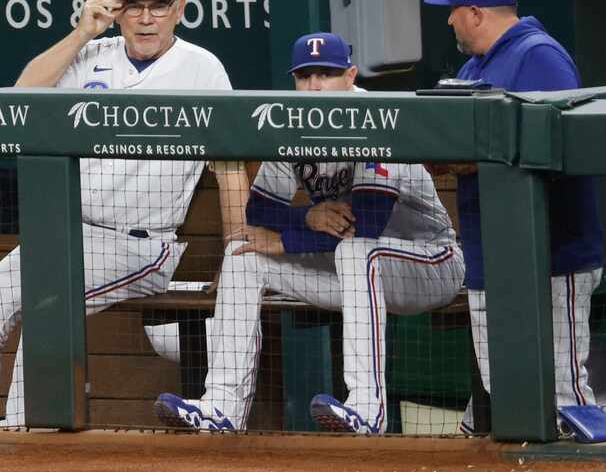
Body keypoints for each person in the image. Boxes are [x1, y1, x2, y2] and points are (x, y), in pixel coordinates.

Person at [0, 0, 247, 427]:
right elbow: (21, 94)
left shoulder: (201, 69)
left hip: (140, 244)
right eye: (134, 6)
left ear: (180, 9)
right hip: (67, 234)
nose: (146, 18)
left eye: (158, 6)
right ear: (116, 9)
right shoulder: (93, 55)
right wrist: (82, 33)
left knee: (48, 312)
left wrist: (238, 246)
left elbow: (230, 163)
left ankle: (25, 440)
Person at [153, 32, 465, 434]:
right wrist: (308, 217)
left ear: (351, 76)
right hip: (356, 273)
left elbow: (365, 223)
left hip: (430, 263)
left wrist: (288, 238)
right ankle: (222, 406)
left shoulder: (378, 120)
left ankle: (368, 409)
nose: (315, 86)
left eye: (327, 74)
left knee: (357, 251)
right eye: (305, 76)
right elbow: (261, 211)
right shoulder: (293, 127)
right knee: (243, 257)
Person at [424, 0, 605, 433]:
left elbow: (561, 150)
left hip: (552, 256)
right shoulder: (471, 66)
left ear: (476, 11)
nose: (448, 20)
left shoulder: (539, 56)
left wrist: (470, 158)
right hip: (490, 256)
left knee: (564, 396)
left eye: (453, 11)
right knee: (507, 391)